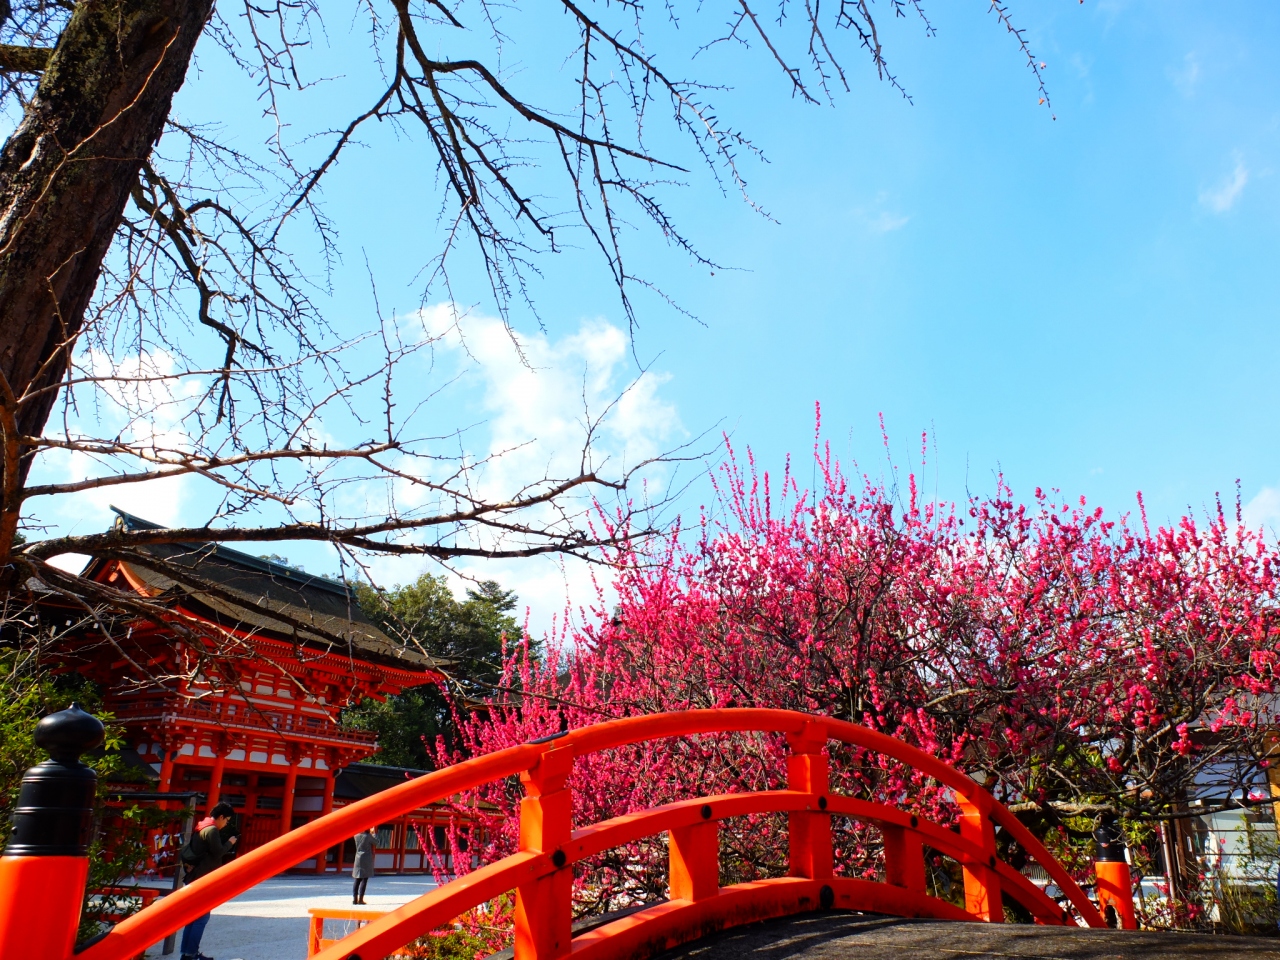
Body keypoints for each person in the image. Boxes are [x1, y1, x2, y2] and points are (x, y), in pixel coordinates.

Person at [180, 801, 238, 960]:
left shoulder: (201, 827)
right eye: (226, 820)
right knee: (201, 918)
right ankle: (192, 955)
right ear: (221, 817)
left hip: (195, 877)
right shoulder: (212, 830)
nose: (226, 824)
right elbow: (218, 852)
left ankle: (186, 953)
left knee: (191, 918)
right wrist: (230, 843)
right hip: (204, 878)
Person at [352, 827, 376, 904]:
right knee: (364, 879)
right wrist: (373, 834)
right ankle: (361, 899)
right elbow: (376, 842)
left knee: (357, 879)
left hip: (358, 858)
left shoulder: (356, 835)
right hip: (366, 858)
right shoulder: (368, 836)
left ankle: (355, 899)